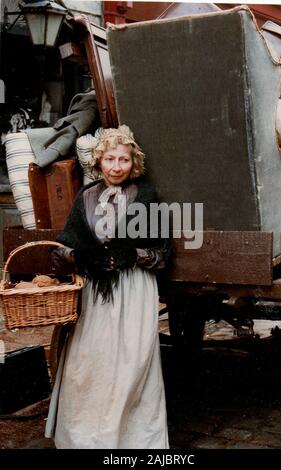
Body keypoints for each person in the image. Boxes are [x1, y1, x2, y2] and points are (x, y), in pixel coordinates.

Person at [45, 125, 171, 449]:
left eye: (124, 160)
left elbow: (161, 253)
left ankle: (131, 442)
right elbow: (65, 244)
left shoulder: (145, 194)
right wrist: (74, 255)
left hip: (133, 290)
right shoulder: (85, 197)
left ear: (134, 163)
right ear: (99, 161)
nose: (116, 167)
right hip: (96, 293)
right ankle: (85, 439)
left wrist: (134, 254)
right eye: (110, 159)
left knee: (131, 365)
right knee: (87, 364)